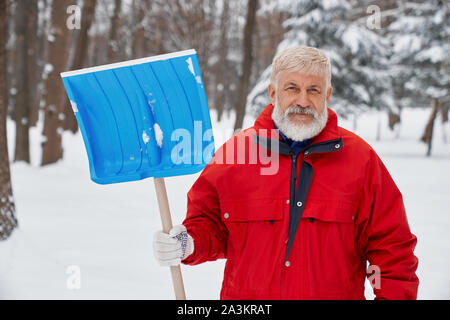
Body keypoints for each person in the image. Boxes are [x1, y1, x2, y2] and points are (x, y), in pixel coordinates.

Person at [153, 45, 419, 300]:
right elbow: (210, 224)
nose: (302, 101)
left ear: (326, 96)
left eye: (313, 90)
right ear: (273, 93)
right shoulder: (235, 155)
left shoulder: (360, 161)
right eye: (292, 88)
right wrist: (189, 243)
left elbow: (393, 252)